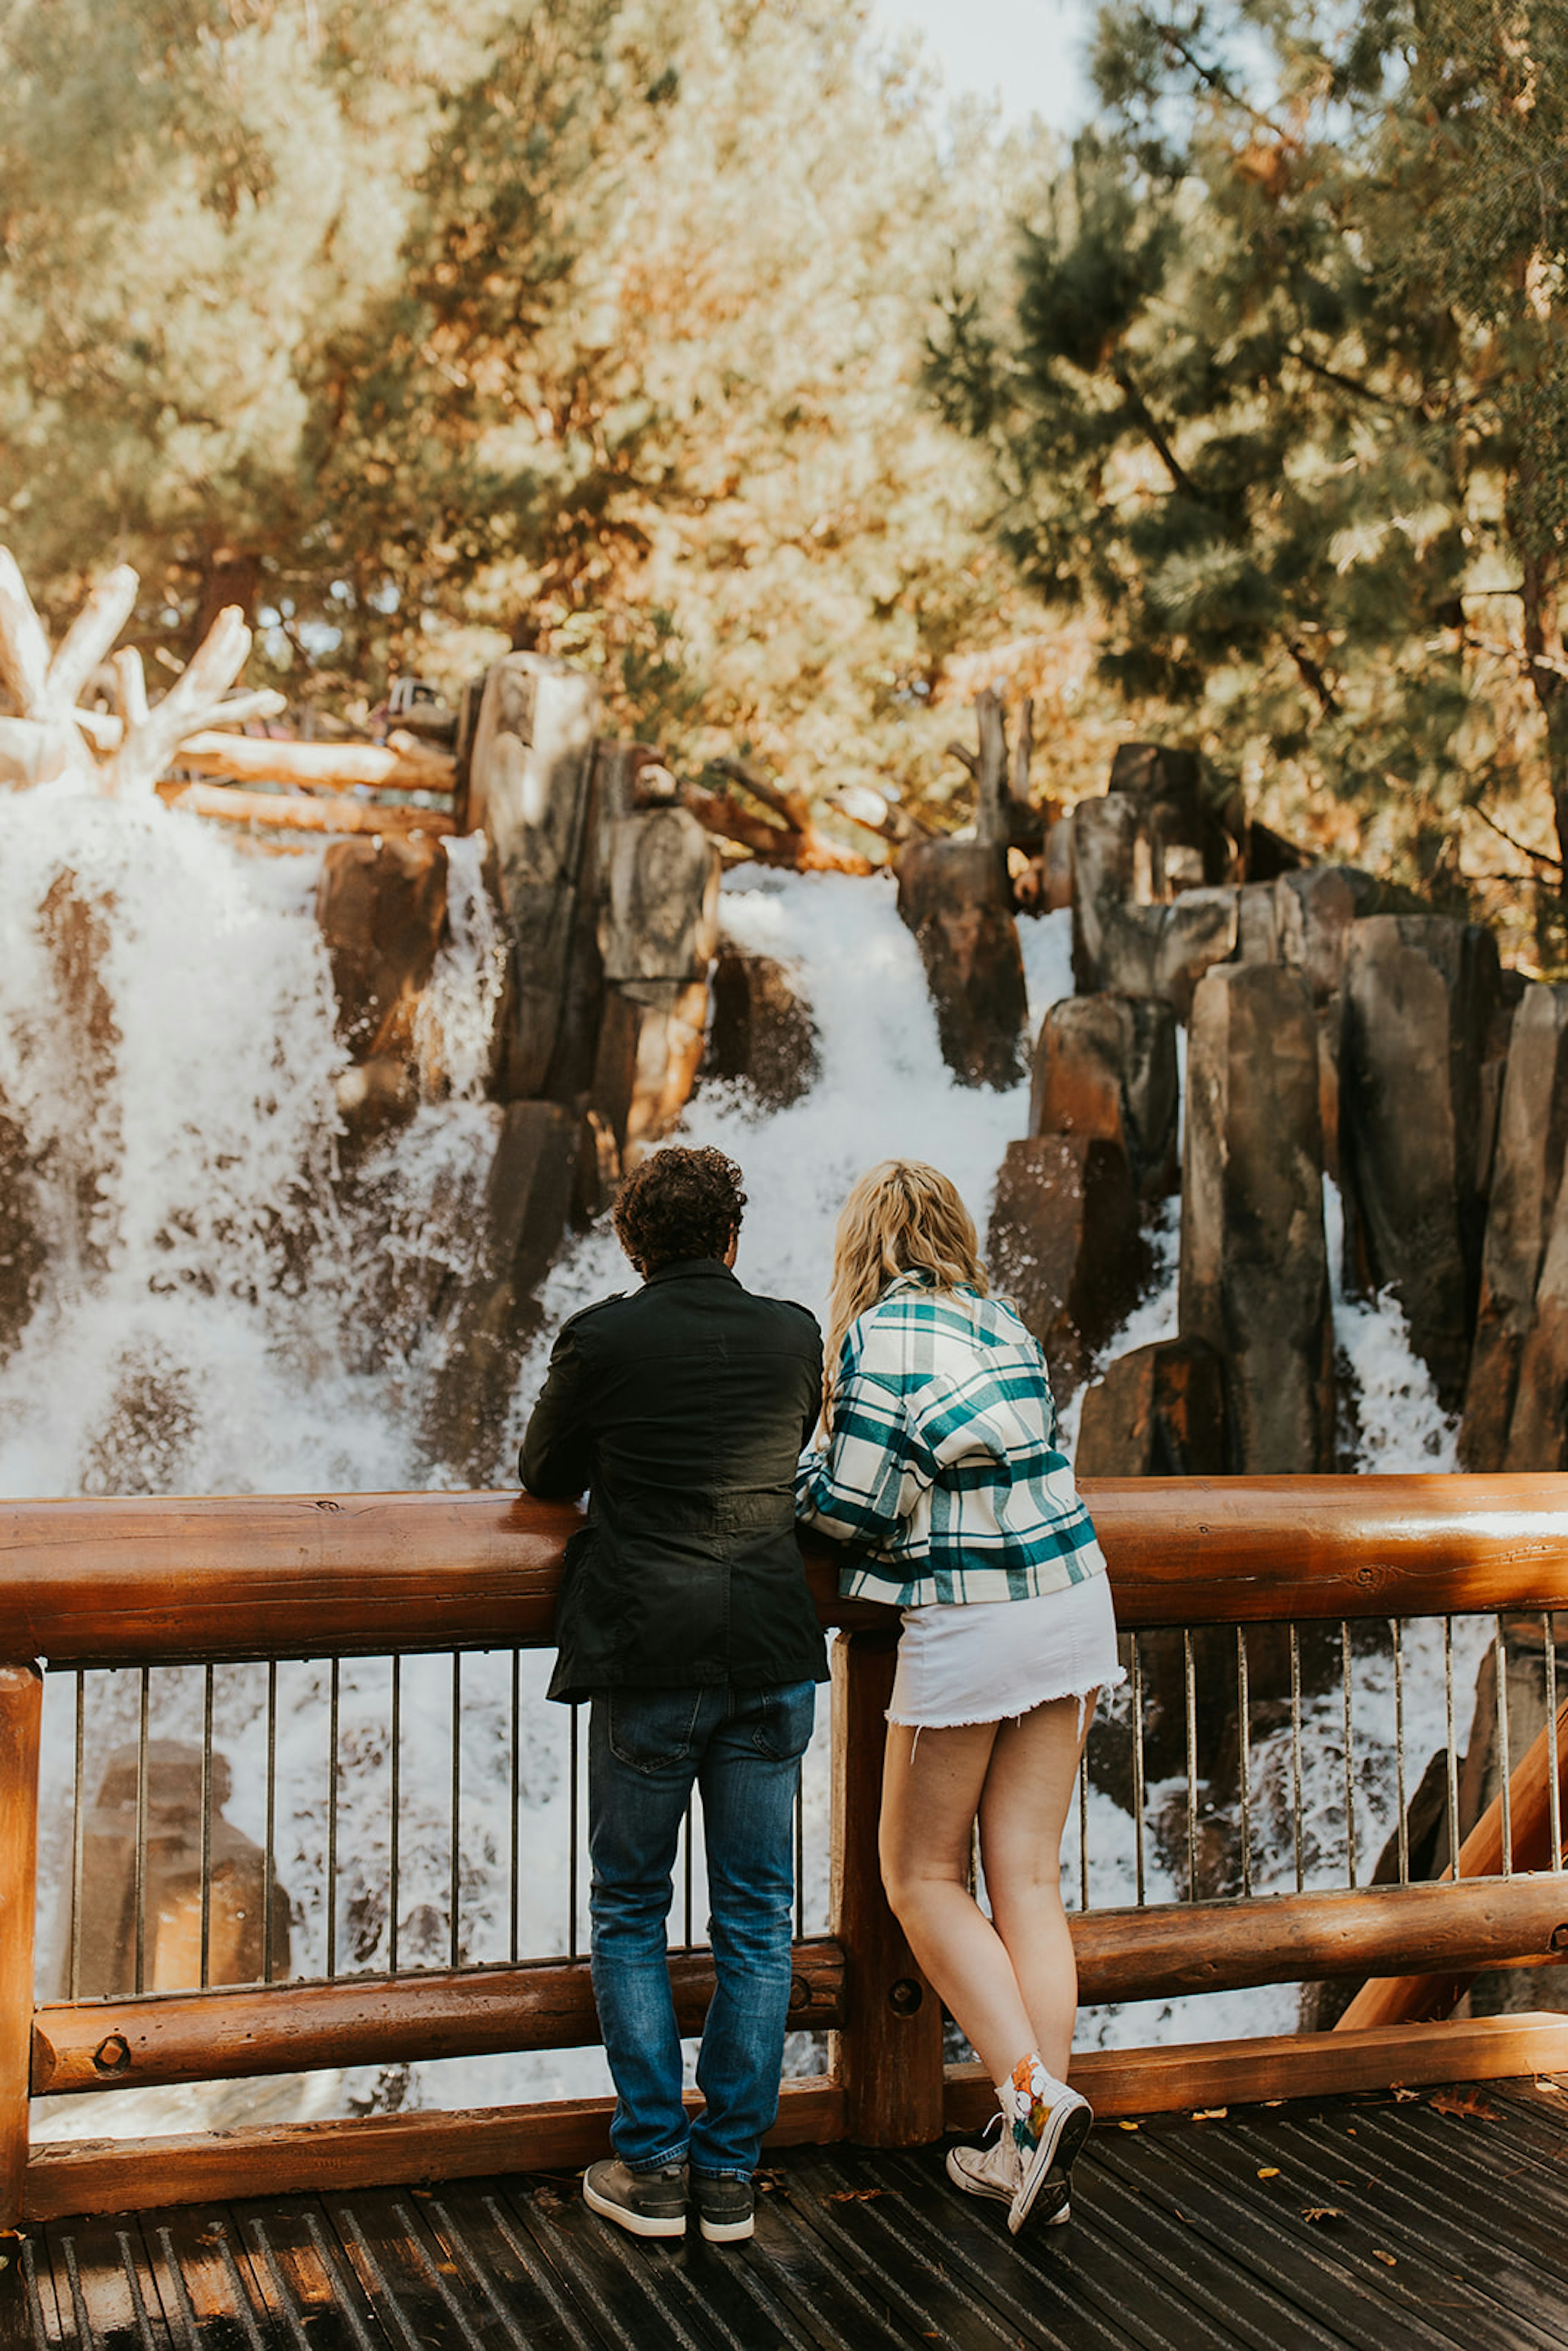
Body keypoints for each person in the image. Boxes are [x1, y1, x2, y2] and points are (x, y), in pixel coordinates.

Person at [795, 1158, 1121, 2236]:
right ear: (950, 1231)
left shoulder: (878, 1338)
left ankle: (1031, 2105)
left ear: (862, 1248)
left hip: (978, 1621)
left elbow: (846, 1508)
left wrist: (781, 1475)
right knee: (1026, 1877)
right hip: (1073, 1602)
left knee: (920, 1875)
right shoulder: (1003, 1319)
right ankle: (1031, 2150)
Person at [519, 1143, 825, 2246]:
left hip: (649, 1658)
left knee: (630, 1909)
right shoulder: (796, 1333)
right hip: (769, 1654)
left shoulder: (601, 1338)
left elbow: (543, 1474)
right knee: (758, 1918)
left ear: (630, 1242)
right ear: (733, 1238)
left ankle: (651, 2161)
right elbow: (790, 1451)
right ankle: (731, 2175)